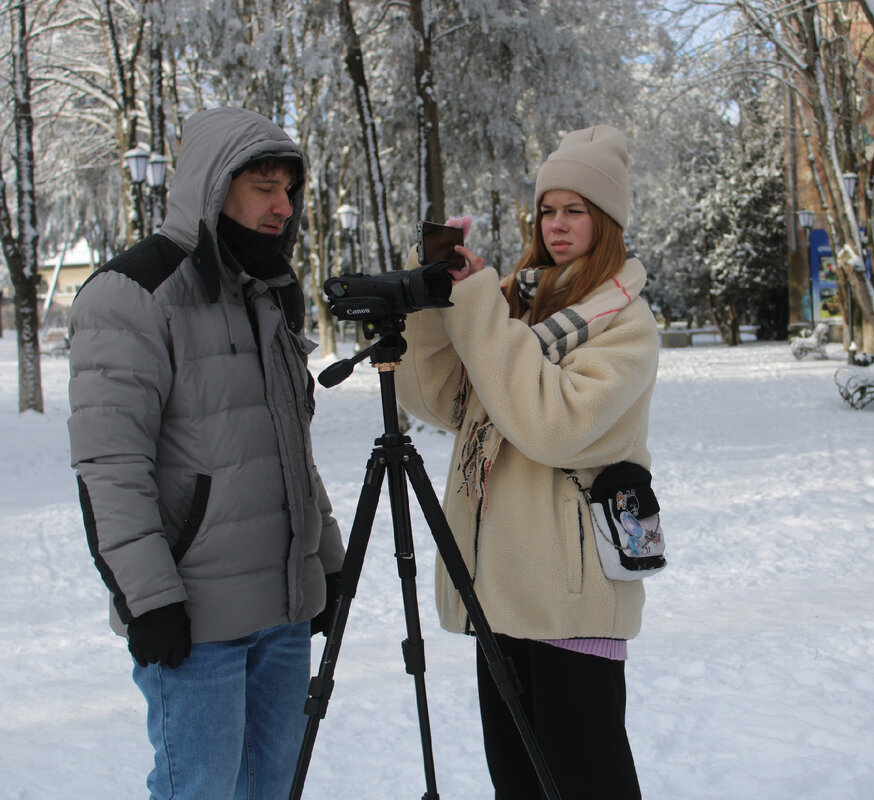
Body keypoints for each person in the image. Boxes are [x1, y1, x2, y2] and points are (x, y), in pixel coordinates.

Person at [67, 107, 345, 800]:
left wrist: (325, 560)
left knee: (274, 788)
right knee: (199, 790)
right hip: (196, 623)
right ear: (213, 186)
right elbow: (110, 467)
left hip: (282, 614)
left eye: (289, 191)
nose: (283, 207)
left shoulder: (267, 292)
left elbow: (290, 451)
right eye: (264, 188)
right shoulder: (133, 294)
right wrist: (149, 601)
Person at [391, 125, 657, 799]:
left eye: (576, 210)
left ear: (607, 220)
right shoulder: (514, 300)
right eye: (547, 209)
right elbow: (444, 400)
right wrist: (432, 302)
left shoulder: (626, 322)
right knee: (517, 784)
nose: (556, 224)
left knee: (586, 784)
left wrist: (480, 306)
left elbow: (553, 424)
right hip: (499, 586)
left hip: (572, 597)